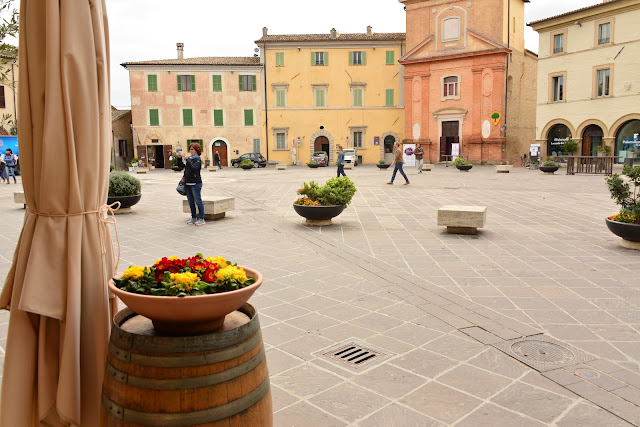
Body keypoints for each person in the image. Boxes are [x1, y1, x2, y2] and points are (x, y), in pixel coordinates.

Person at [183, 143, 205, 226]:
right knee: (191, 201)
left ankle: (202, 218)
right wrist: (179, 158)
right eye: (190, 149)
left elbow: (194, 169)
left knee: (198, 201)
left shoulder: (197, 159)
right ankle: (193, 217)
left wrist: (188, 159)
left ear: (196, 150)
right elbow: (182, 166)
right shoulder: (190, 159)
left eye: (192, 149)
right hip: (188, 183)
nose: (191, 151)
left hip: (196, 183)